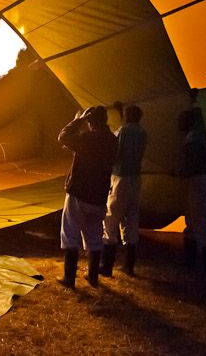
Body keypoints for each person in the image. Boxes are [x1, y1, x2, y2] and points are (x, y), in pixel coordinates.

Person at [56, 105, 116, 289]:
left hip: (79, 193)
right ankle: (93, 276)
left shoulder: (87, 138)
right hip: (99, 195)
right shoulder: (113, 140)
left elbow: (63, 136)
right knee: (95, 236)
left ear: (90, 121)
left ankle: (69, 278)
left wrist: (78, 120)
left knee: (71, 233)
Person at [100, 104, 147, 277]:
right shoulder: (142, 133)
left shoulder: (123, 131)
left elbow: (113, 147)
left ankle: (106, 266)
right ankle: (129, 266)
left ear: (127, 116)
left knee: (111, 219)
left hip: (120, 178)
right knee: (131, 221)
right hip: (136, 179)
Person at [175, 108, 206, 277]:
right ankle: (192, 260)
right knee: (194, 221)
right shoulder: (199, 136)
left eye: (182, 120)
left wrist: (178, 172)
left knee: (202, 221)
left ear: (190, 122)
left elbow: (193, 167)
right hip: (203, 181)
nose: (179, 123)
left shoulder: (192, 140)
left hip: (200, 181)